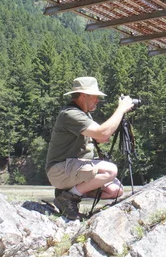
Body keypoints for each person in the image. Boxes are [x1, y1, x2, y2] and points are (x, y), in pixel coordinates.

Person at [45, 76, 134, 220]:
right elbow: (103, 133)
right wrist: (121, 109)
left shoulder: (84, 115)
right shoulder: (70, 114)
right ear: (83, 95)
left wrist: (118, 117)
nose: (97, 100)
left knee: (115, 190)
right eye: (95, 97)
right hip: (59, 170)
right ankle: (67, 198)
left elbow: (101, 138)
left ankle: (69, 192)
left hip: (73, 170)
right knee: (110, 170)